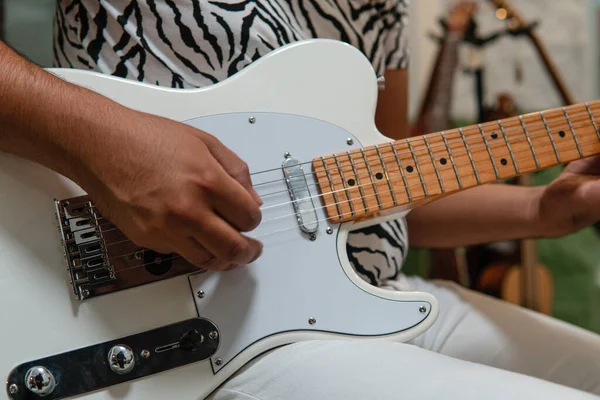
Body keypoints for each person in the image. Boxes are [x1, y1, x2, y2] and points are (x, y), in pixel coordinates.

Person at [0, 0, 598, 398]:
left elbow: (379, 189)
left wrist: (540, 211)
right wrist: (101, 146)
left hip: (372, 296)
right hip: (201, 332)